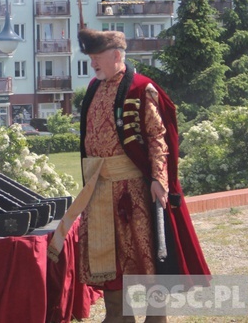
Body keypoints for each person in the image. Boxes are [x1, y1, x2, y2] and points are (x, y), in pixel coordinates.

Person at [49, 27, 209, 323]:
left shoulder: (141, 88)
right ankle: (118, 316)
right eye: (91, 57)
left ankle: (155, 317)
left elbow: (157, 137)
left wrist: (159, 180)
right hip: (99, 192)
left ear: (117, 55)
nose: (93, 62)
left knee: (144, 260)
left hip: (133, 191)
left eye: (98, 57)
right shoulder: (95, 88)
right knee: (109, 261)